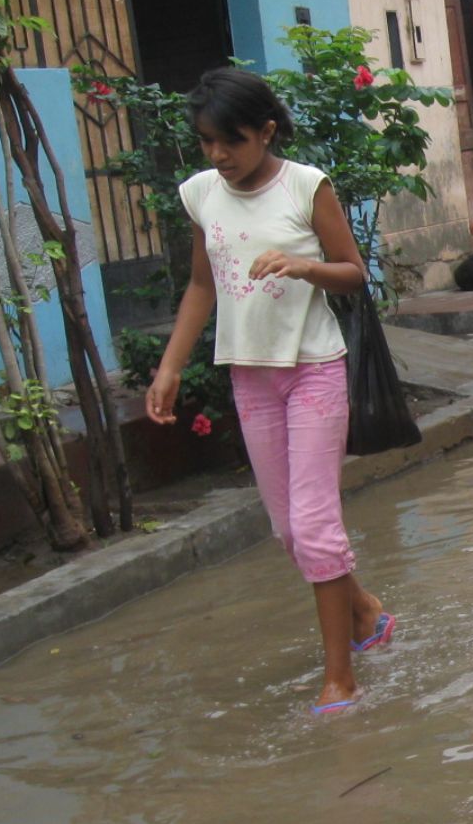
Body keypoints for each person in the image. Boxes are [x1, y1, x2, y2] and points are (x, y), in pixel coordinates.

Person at [144, 68, 393, 715]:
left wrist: (305, 265)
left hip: (313, 367)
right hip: (248, 373)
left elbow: (353, 275)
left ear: (266, 131)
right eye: (206, 142)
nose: (219, 156)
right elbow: (202, 285)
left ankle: (340, 676)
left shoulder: (306, 187)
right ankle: (364, 609)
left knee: (314, 525)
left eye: (231, 141)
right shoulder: (200, 194)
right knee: (289, 530)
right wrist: (170, 366)